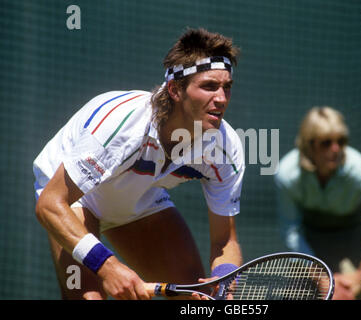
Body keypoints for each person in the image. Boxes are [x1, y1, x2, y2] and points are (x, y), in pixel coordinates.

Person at [33, 28, 245, 300]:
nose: (222, 98)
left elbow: (225, 240)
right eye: (209, 86)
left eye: (226, 87)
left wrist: (225, 276)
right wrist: (108, 267)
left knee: (192, 300)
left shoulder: (225, 147)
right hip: (74, 197)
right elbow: (50, 205)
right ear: (175, 90)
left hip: (138, 200)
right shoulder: (124, 126)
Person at [274, 106, 361, 300]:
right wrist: (321, 278)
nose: (336, 149)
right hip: (310, 246)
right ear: (308, 145)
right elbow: (291, 231)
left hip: (354, 240)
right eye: (326, 143)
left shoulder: (358, 168)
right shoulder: (287, 174)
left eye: (341, 141)